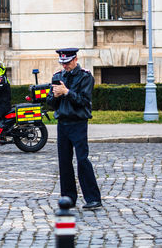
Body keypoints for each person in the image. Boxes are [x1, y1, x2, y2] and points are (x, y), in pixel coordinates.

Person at [46, 48, 102, 210]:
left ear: (75, 59)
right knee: (64, 162)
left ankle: (93, 198)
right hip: (62, 123)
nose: (65, 66)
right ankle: (68, 197)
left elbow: (84, 101)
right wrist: (55, 96)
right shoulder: (57, 77)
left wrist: (67, 92)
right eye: (63, 63)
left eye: (68, 62)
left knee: (82, 160)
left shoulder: (85, 77)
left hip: (78, 123)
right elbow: (50, 102)